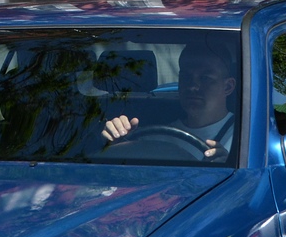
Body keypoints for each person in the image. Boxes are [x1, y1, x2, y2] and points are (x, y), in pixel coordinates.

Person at [101, 47, 236, 159]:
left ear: (228, 87)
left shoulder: (245, 138)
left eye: (205, 78)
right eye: (186, 77)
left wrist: (229, 166)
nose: (192, 86)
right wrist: (117, 145)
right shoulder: (153, 138)